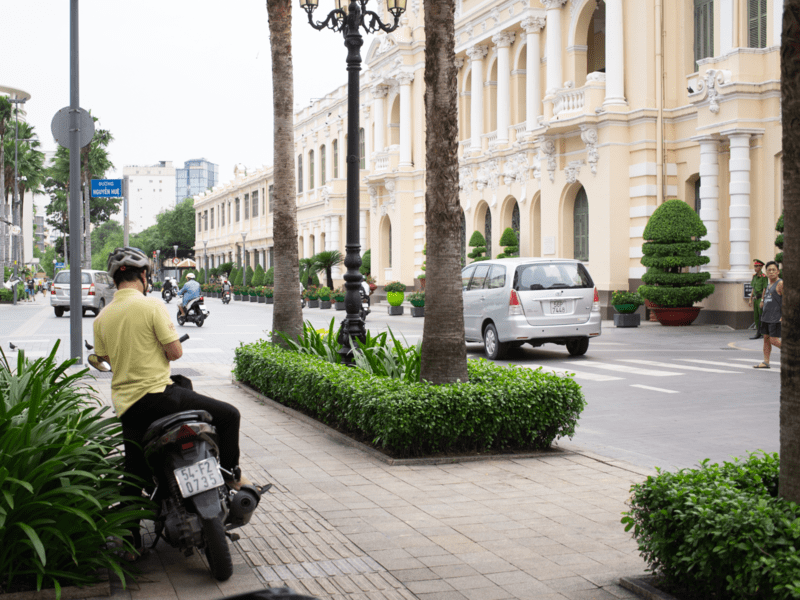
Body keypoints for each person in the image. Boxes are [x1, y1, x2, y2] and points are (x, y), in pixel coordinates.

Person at [92, 247, 251, 551]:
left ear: (115, 279)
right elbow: (175, 352)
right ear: (143, 276)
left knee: (133, 473)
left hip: (130, 408)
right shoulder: (151, 306)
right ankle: (231, 475)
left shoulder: (101, 318)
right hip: (164, 397)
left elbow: (105, 358)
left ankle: (129, 538)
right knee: (229, 415)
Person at [754, 261, 782, 369]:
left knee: (773, 340)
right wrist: (762, 300)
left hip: (775, 317)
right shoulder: (768, 284)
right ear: (766, 272)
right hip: (766, 316)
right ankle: (766, 362)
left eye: (773, 270)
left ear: (778, 272)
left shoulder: (780, 284)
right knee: (766, 339)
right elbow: (766, 294)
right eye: (769, 270)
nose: (771, 272)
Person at [748, 259, 768, 339]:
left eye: (756, 266)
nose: (755, 268)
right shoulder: (754, 276)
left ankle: (762, 332)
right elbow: (753, 288)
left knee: (761, 316)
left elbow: (764, 289)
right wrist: (750, 299)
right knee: (756, 316)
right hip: (755, 299)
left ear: (760, 267)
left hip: (760, 298)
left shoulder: (764, 277)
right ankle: (758, 332)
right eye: (754, 266)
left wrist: (762, 300)